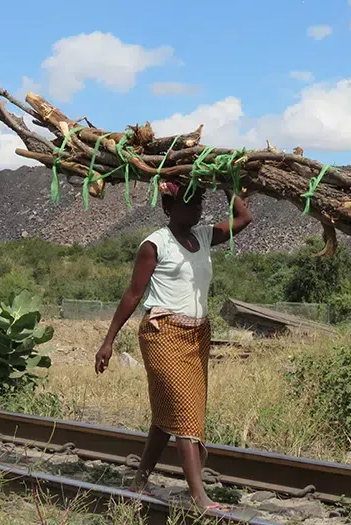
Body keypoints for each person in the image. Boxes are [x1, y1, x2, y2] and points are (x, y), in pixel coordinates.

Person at [95, 180, 252, 511]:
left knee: (167, 416)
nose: (195, 209)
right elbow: (133, 295)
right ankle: (198, 496)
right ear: (168, 208)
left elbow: (243, 218)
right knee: (184, 412)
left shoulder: (205, 237)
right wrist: (108, 341)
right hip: (162, 333)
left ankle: (138, 483)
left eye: (198, 203)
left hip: (197, 337)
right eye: (188, 203)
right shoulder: (154, 245)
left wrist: (228, 184)